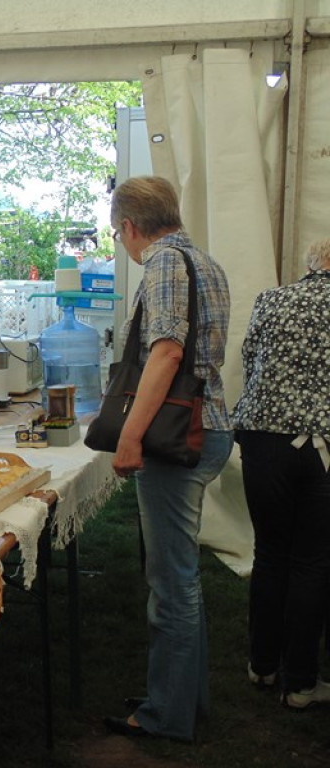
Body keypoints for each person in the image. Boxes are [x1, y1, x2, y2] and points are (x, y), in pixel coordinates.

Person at [103, 176, 232, 742]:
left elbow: (167, 352)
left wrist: (129, 436)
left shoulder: (160, 264)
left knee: (172, 584)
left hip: (178, 435)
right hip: (208, 425)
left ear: (130, 227)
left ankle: (166, 716)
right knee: (182, 580)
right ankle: (183, 698)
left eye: (118, 233)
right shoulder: (204, 261)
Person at [230, 236, 330, 709]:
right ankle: (302, 683)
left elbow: (251, 361)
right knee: (311, 561)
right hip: (322, 447)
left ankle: (263, 667)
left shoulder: (271, 299)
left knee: (270, 552)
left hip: (262, 437)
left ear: (311, 264)